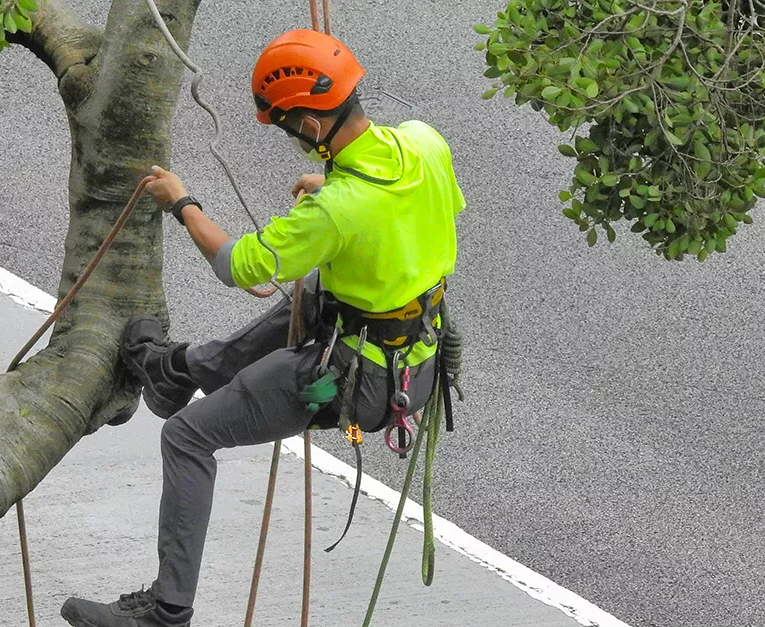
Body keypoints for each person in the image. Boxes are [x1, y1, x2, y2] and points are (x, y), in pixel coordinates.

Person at [61, 28, 465, 627]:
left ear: (310, 124)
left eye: (287, 126)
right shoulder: (424, 143)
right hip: (414, 356)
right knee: (317, 298)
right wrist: (337, 187)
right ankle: (173, 373)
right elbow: (427, 207)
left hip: (358, 380)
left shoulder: (337, 212)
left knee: (188, 438)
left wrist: (180, 201)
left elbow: (237, 265)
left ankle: (166, 612)